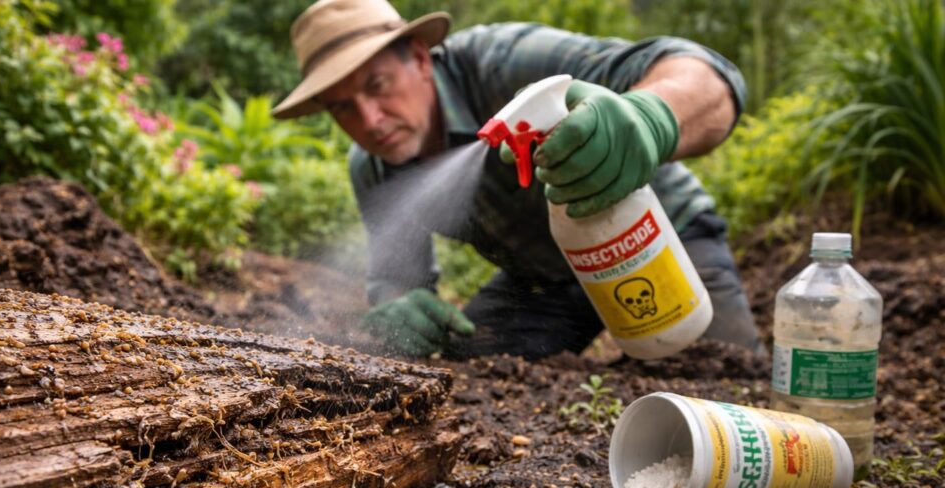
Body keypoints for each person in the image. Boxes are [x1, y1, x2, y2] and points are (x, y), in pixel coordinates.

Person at [273, 0, 764, 360]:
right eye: (342, 107)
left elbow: (708, 76)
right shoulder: (372, 168)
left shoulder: (501, 61)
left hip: (654, 236)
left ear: (420, 59)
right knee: (473, 374)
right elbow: (397, 281)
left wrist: (652, 117)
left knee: (719, 384)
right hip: (542, 281)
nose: (370, 120)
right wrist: (400, 310)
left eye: (377, 86)